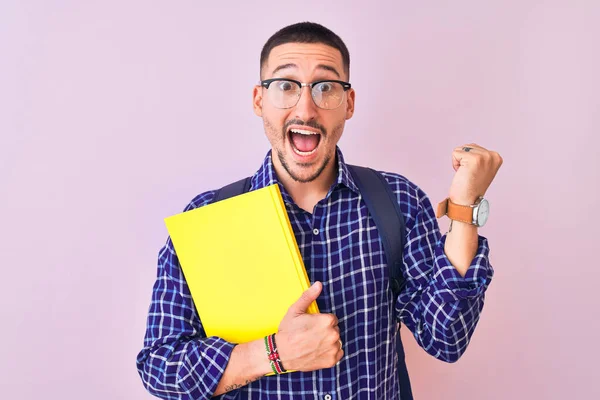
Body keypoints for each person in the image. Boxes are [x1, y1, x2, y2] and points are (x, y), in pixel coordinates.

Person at [136, 21, 503, 400]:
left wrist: (464, 207)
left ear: (349, 103)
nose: (306, 108)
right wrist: (271, 355)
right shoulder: (208, 219)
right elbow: (160, 367)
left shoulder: (398, 201)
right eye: (285, 86)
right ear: (259, 100)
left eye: (326, 87)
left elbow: (447, 336)